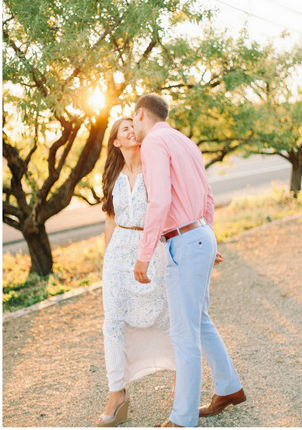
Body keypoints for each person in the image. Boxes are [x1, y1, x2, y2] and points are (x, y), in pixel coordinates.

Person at [132, 93, 245, 428]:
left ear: (140, 114)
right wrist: (208, 238)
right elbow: (207, 195)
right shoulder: (185, 141)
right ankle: (229, 388)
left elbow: (160, 201)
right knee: (200, 321)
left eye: (133, 121)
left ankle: (182, 419)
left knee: (184, 332)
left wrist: (144, 252)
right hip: (198, 235)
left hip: (184, 239)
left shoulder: (153, 142)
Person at [97, 117, 176, 426]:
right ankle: (117, 392)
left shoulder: (154, 167)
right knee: (112, 323)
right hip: (118, 254)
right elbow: (109, 219)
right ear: (116, 141)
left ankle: (181, 379)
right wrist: (107, 260)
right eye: (125, 128)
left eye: (134, 125)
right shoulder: (112, 175)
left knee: (168, 316)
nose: (132, 130)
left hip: (152, 249)